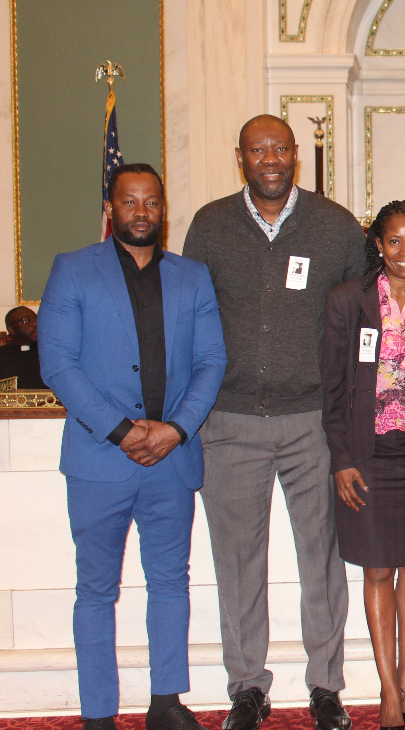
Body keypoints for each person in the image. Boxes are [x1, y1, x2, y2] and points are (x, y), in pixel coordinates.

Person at [182, 114, 367, 730]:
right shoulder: (210, 226)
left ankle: (326, 687)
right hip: (229, 422)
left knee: (323, 557)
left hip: (312, 422)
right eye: (258, 149)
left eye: (280, 147)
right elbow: (191, 320)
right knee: (238, 562)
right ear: (241, 157)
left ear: (295, 154)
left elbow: (358, 326)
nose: (270, 158)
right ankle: (247, 688)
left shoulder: (335, 226)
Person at [40, 163, 227, 730]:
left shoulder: (192, 276)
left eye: (151, 202)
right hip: (100, 460)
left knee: (171, 582)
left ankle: (166, 702)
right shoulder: (73, 271)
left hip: (172, 459)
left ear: (162, 209)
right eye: (130, 202)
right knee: (96, 589)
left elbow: (210, 361)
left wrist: (176, 429)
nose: (141, 211)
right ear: (111, 208)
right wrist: (122, 430)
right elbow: (59, 365)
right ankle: (98, 713)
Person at [320, 199, 405, 730]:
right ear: (378, 245)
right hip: (367, 456)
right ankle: (387, 689)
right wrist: (341, 459)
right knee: (377, 570)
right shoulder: (348, 301)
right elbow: (331, 391)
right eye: (394, 241)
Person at [0, 306, 47, 388]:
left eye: (36, 319)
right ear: (12, 329)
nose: (35, 324)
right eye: (27, 321)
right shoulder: (2, 355)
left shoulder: (50, 351)